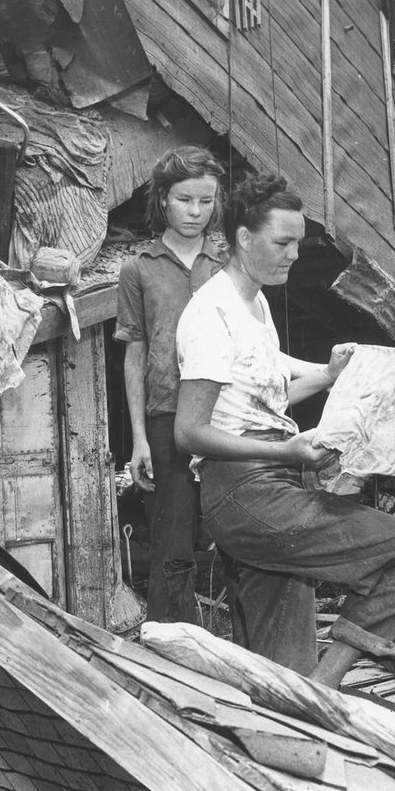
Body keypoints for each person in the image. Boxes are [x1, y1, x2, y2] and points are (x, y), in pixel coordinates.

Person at [173, 174, 395, 688]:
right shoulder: (210, 313)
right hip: (247, 492)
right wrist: (290, 452)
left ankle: (292, 712)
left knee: (280, 675)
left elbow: (262, 397)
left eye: (298, 242)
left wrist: (327, 375)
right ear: (242, 238)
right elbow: (189, 432)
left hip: (270, 483)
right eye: (282, 242)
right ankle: (323, 692)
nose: (294, 254)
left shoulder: (253, 306)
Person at [115, 146, 226, 624]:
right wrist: (139, 439)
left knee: (233, 532)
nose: (196, 212)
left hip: (225, 416)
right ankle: (171, 645)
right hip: (166, 418)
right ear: (163, 199)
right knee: (173, 541)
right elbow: (135, 353)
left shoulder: (226, 265)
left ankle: (237, 644)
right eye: (185, 200)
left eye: (206, 201)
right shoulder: (138, 268)